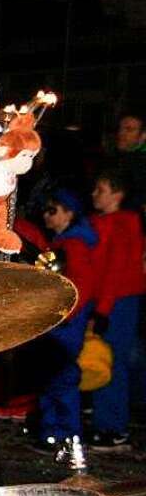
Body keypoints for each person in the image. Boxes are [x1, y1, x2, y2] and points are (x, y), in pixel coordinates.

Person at [34, 188, 98, 453]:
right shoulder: (62, 242)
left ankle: (68, 434)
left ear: (69, 214)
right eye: (46, 211)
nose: (47, 217)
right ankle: (53, 432)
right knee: (52, 375)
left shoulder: (74, 244)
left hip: (67, 322)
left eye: (54, 211)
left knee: (62, 376)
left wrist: (64, 316)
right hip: (59, 319)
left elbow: (82, 286)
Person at [87, 168, 145, 450]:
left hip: (118, 302)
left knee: (111, 362)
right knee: (105, 359)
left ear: (117, 195)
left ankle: (113, 427)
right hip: (109, 301)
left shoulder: (121, 224)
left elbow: (114, 272)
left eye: (101, 190)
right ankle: (105, 420)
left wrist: (102, 310)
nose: (94, 195)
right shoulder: (103, 221)